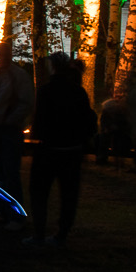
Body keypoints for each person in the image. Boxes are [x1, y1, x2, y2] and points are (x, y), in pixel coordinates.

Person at [28, 53, 95, 247]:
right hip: (72, 151)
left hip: (49, 150)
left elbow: (40, 120)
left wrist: (36, 136)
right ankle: (61, 234)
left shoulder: (46, 91)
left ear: (53, 67)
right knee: (69, 195)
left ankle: (39, 234)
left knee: (39, 192)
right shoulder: (78, 91)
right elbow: (87, 120)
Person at [0, 39, 34, 215]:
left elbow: (26, 102)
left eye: (4, 53)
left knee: (10, 173)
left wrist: (9, 120)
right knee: (1, 173)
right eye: (0, 53)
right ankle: (4, 213)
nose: (2, 56)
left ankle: (15, 216)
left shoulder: (17, 76)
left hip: (10, 130)